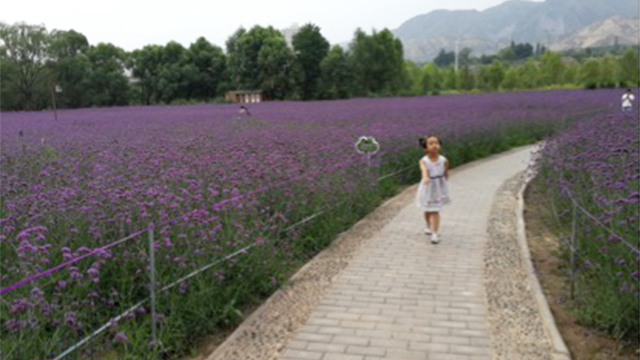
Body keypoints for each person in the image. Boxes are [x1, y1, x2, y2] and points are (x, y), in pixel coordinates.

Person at [416, 135, 451, 244]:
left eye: (436, 143)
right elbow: (424, 170)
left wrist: (444, 180)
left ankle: (435, 233)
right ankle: (428, 225)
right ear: (425, 148)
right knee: (427, 209)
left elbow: (446, 171)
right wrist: (426, 177)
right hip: (428, 186)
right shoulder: (424, 160)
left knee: (435, 210)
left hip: (438, 187)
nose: (434, 145)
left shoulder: (443, 160)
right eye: (431, 144)